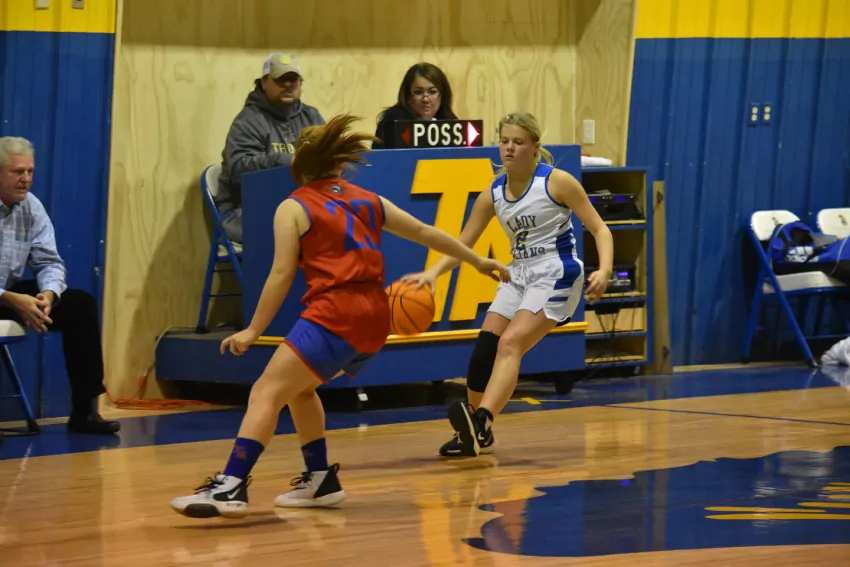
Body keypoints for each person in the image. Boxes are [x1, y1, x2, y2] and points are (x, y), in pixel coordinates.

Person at [170, 114, 510, 518]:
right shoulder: (368, 199)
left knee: (265, 392)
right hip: (375, 318)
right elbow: (424, 232)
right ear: (337, 162)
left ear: (299, 163)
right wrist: (477, 260)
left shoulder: (293, 207)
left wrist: (253, 329)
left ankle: (231, 485)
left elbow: (281, 274)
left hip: (334, 315)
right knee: (300, 390)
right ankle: (320, 480)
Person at [402, 111, 614, 457]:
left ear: (534, 146)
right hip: (518, 274)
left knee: (511, 343)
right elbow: (464, 242)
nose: (509, 148)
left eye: (518, 142)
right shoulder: (494, 192)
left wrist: (604, 270)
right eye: (504, 141)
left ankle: (483, 420)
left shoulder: (557, 182)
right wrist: (433, 274)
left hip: (556, 272)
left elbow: (600, 228)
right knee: (484, 351)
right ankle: (475, 434)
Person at [0, 137, 120, 435]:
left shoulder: (31, 207)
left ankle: (84, 412)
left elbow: (50, 262)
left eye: (30, 171)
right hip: (5, 296)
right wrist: (12, 299)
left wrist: (48, 295)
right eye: (17, 171)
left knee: (80, 305)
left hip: (8, 295)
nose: (26, 178)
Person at [216, 53, 326, 244]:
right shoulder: (248, 121)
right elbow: (240, 170)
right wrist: (288, 161)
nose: (288, 85)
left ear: (300, 83)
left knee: (338, 219)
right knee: (297, 229)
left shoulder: (311, 116)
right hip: (244, 209)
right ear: (264, 82)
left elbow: (328, 155)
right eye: (280, 79)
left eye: (293, 79)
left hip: (298, 202)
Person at [372, 62, 457, 149]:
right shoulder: (394, 121)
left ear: (443, 95)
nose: (425, 99)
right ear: (408, 96)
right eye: (418, 92)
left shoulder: (451, 123)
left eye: (432, 92)